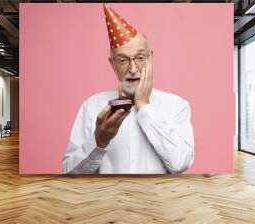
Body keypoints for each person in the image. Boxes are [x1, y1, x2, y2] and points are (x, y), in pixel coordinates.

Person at [62, 4, 194, 174]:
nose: (132, 69)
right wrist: (98, 141)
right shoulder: (92, 106)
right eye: (123, 60)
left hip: (157, 200)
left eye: (139, 58)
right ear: (112, 65)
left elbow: (180, 164)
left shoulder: (176, 105)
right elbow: (69, 172)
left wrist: (144, 106)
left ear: (150, 58)